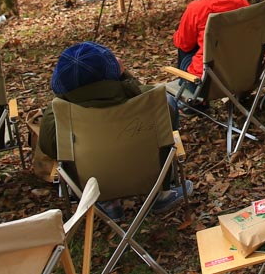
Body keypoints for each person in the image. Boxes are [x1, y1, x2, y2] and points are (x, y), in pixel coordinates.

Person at [37, 42, 191, 219]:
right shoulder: (152, 101)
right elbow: (158, 114)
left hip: (91, 187)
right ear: (113, 72)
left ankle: (108, 203)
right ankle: (160, 194)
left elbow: (48, 147)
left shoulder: (60, 117)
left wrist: (63, 97)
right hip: (148, 175)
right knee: (166, 117)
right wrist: (125, 76)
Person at [173, 0, 250, 78]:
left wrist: (177, 33)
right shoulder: (243, 4)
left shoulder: (198, 8)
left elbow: (184, 44)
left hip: (207, 78)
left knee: (184, 41)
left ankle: (183, 89)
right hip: (242, 72)